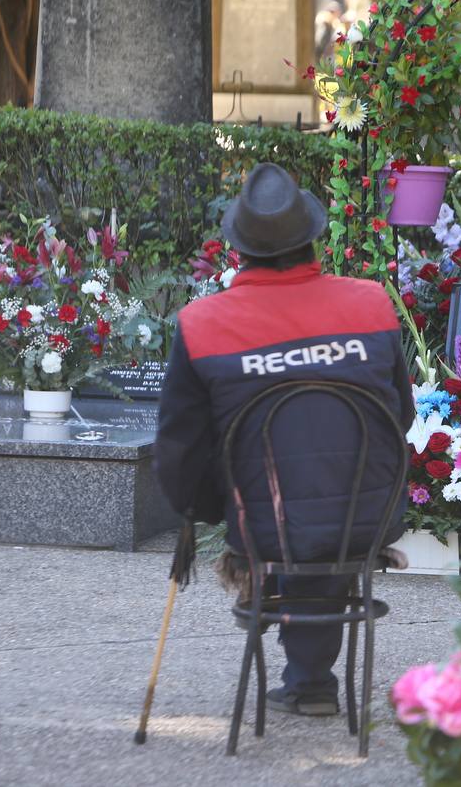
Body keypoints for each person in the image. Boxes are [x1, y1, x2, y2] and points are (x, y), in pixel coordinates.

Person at [155, 163, 414, 716]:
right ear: (310, 239)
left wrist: (202, 508)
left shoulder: (202, 324)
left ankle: (308, 679)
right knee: (320, 502)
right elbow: (403, 415)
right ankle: (311, 681)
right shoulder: (371, 303)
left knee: (290, 507)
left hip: (265, 523)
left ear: (239, 249)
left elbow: (181, 447)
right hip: (369, 516)